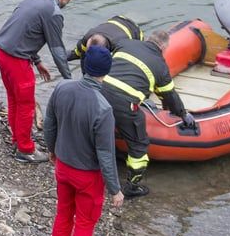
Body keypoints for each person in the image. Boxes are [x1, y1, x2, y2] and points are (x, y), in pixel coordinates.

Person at [44, 45, 125, 236]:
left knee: (63, 216)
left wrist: (51, 150)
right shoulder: (103, 109)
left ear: (84, 65)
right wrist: (115, 189)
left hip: (63, 166)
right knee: (85, 226)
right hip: (87, 176)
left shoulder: (62, 88)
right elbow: (105, 155)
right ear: (107, 71)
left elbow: (50, 123)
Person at [78, 27, 195, 198]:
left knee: (91, 128)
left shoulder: (126, 44)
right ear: (163, 48)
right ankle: (132, 186)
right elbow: (170, 96)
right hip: (125, 105)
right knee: (139, 145)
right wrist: (183, 114)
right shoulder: (160, 66)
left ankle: (81, 162)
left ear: (148, 39)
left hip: (99, 92)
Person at [0, 0, 77, 164]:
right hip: (15, 59)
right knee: (26, 105)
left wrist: (37, 60)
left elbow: (24, 30)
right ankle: (25, 150)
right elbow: (58, 50)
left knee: (14, 98)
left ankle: (17, 139)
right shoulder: (54, 13)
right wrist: (69, 81)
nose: (68, 3)